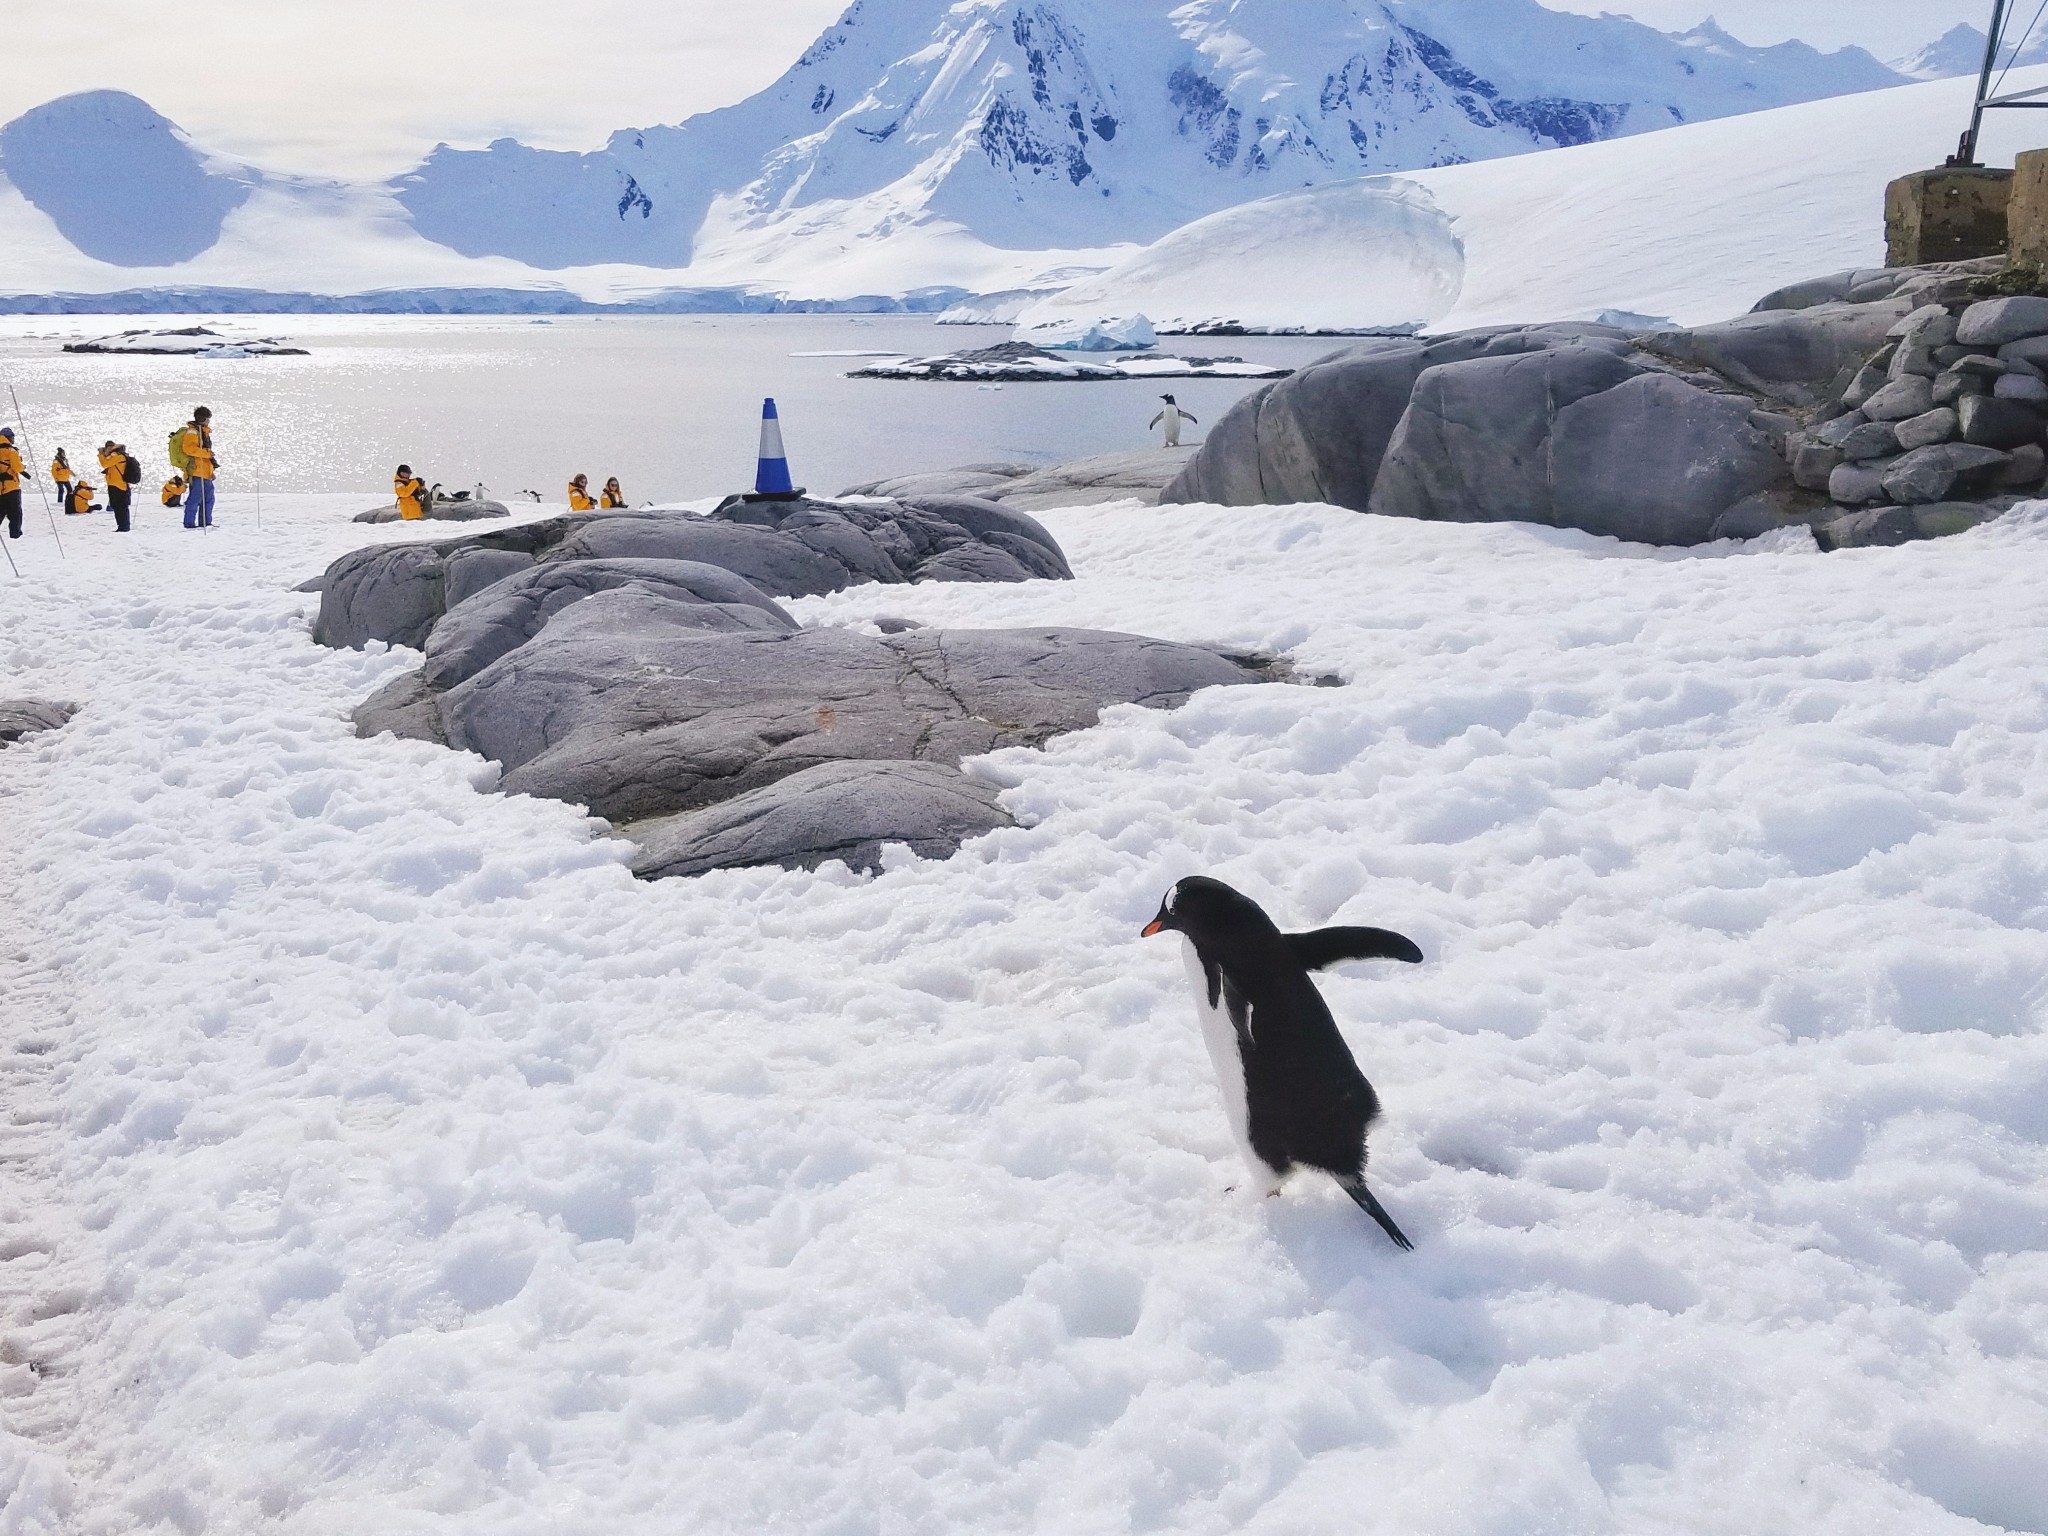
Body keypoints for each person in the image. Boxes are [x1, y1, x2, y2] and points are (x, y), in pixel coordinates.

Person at [178, 406, 217, 529]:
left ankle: (205, 523)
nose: (208, 421)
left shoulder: (202, 431)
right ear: (202, 418)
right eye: (207, 419)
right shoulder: (193, 432)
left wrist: (211, 471)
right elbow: (189, 449)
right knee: (195, 499)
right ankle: (189, 524)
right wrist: (207, 453)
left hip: (205, 472)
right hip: (196, 472)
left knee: (209, 499)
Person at [100, 440, 134, 533]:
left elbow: (104, 464)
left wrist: (101, 454)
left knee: (120, 507)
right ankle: (122, 526)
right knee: (117, 507)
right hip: (116, 485)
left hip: (118, 486)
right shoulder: (119, 456)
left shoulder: (118, 457)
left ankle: (124, 527)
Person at [0, 426, 23, 540]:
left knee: (1, 509)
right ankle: (15, 533)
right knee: (15, 512)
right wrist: (22, 465)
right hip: (11, 487)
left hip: (0, 488)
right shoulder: (11, 451)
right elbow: (17, 467)